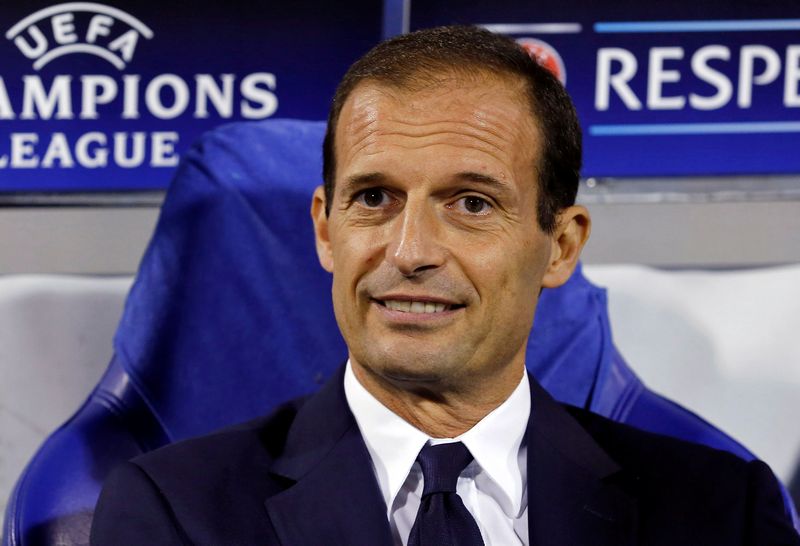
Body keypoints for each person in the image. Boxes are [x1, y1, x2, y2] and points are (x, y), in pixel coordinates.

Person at [90, 26, 800, 545]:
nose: (410, 252)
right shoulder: (174, 512)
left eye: (471, 204)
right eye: (374, 198)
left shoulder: (721, 512)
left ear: (560, 246)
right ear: (326, 231)